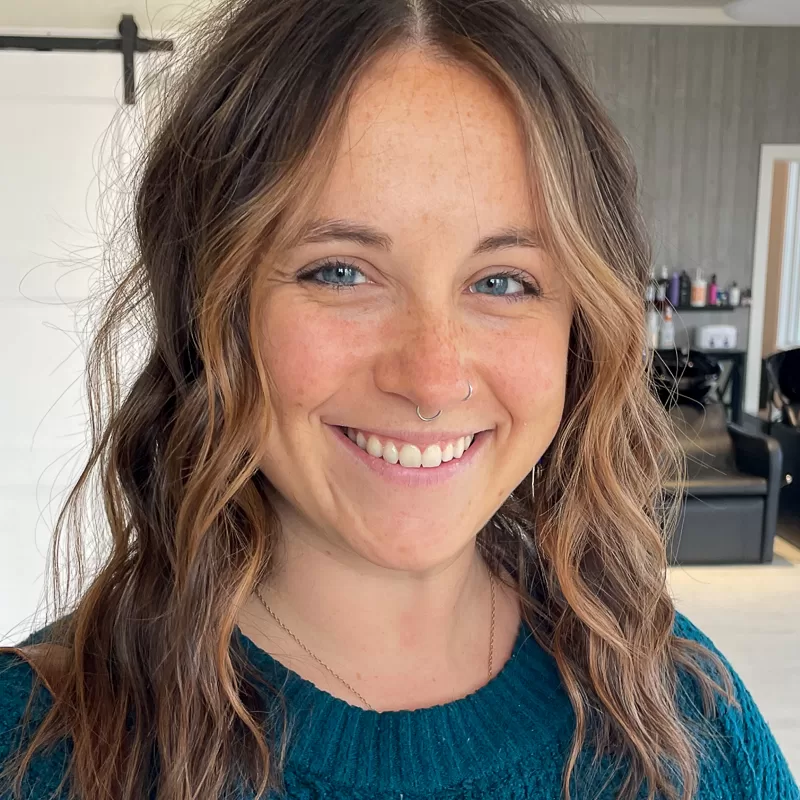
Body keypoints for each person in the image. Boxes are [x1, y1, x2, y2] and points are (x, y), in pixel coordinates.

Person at [0, 0, 797, 798]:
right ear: (210, 305)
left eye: (503, 282)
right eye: (339, 271)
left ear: (580, 331)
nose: (432, 376)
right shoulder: (34, 748)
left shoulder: (687, 721)